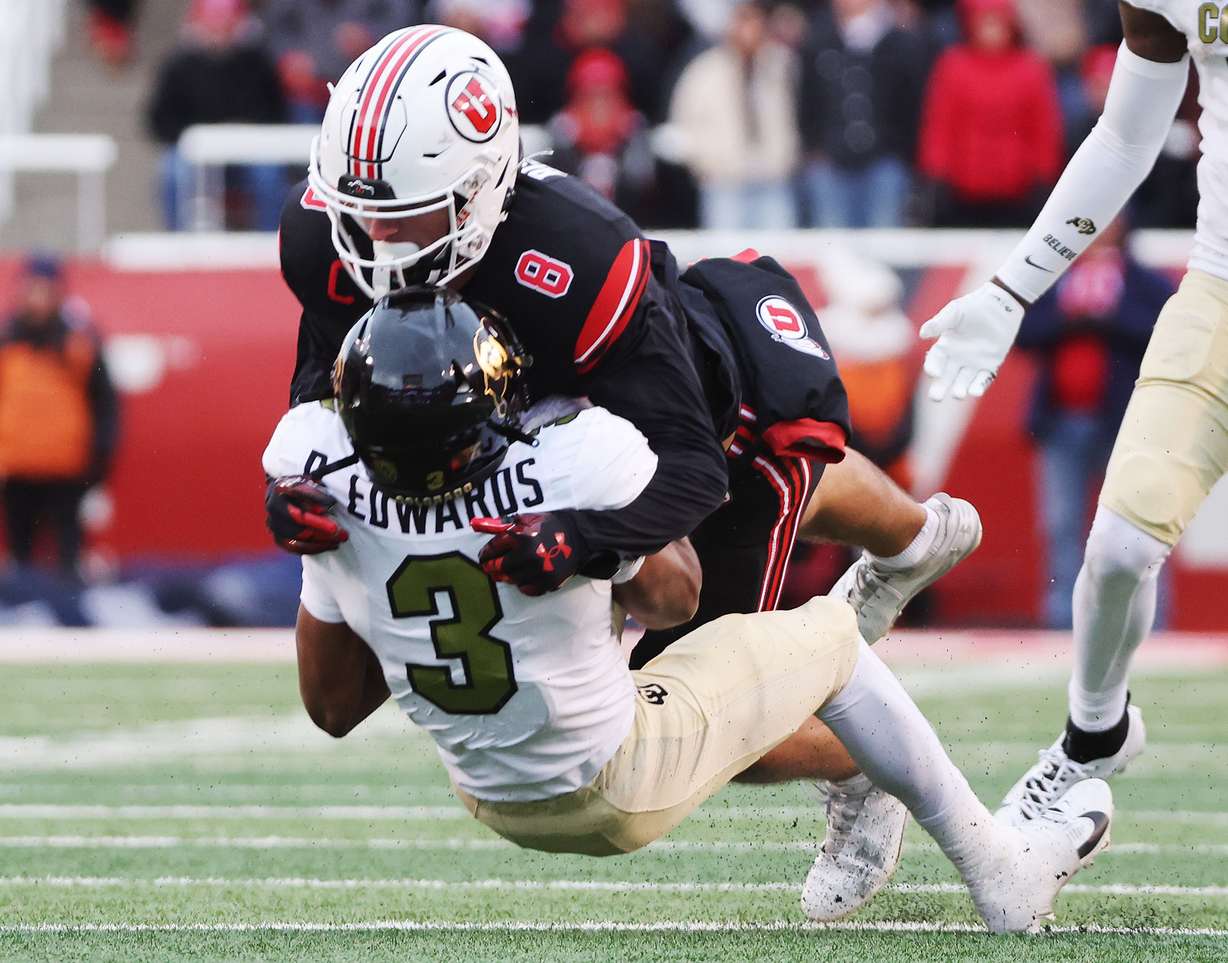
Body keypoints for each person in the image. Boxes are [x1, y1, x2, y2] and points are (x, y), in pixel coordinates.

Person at [270, 24, 982, 916]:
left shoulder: (576, 257)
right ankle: (919, 535)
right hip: (530, 444)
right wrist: (295, 494)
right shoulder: (331, 240)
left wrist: (583, 538)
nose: (375, 239)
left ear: (482, 187)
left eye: (405, 213)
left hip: (694, 424)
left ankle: (864, 752)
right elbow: (319, 390)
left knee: (694, 691)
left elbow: (692, 471)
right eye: (356, 211)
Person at [262, 289, 1113, 933]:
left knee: (741, 689)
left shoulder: (320, 482)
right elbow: (678, 592)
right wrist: (590, 543)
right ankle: (999, 869)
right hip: (614, 776)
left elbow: (333, 708)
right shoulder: (570, 459)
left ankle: (859, 761)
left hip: (484, 789)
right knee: (832, 638)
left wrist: (349, 559)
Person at [918, 1, 1214, 824]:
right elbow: (1123, 137)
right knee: (1117, 549)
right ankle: (1093, 733)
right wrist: (1015, 289)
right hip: (1218, 290)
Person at [1015, 217, 1171, 628]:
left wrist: (1106, 321)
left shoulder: (1141, 281)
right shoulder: (1057, 277)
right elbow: (1026, 331)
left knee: (1136, 524)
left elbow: (1165, 332)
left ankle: (1146, 621)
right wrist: (1073, 321)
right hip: (1062, 418)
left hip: (1125, 422)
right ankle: (1063, 619)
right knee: (1062, 525)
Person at [0, 255, 119, 575]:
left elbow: (105, 406)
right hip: (17, 472)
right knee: (20, 561)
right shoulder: (7, 341)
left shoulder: (78, 343)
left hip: (66, 473)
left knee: (68, 562)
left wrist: (98, 466)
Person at [917, 0, 1064, 227]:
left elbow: (1043, 127)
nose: (991, 30)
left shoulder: (1031, 67)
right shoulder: (953, 65)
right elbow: (940, 124)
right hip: (963, 191)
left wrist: (1043, 174)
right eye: (984, 22)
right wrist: (936, 173)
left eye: (997, 22)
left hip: (1018, 191)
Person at [146, 0, 287, 230]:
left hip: (248, 151)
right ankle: (178, 241)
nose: (219, 30)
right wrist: (189, 137)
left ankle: (272, 241)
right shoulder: (178, 64)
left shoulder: (257, 60)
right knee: (172, 173)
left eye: (226, 23)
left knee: (268, 174)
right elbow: (158, 119)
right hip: (195, 152)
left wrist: (247, 130)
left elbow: (275, 110)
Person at [668, 0, 802, 229]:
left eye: (754, 20)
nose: (748, 29)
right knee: (726, 257)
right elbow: (682, 125)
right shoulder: (704, 70)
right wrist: (706, 163)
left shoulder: (783, 65)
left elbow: (800, 113)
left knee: (778, 256)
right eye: (742, 20)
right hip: (724, 184)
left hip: (773, 180)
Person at [798, 0, 930, 228]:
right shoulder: (818, 40)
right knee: (833, 248)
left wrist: (900, 153)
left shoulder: (900, 42)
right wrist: (815, 148)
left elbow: (912, 104)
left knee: (883, 242)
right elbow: (806, 100)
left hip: (884, 163)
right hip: (831, 164)